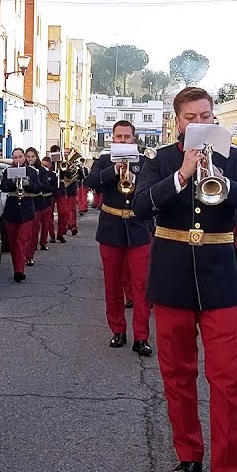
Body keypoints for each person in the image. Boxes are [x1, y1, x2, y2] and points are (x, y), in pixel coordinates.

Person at [132, 86, 237, 472]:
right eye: (191, 117)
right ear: (177, 122)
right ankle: (189, 456)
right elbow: (140, 206)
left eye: (206, 116)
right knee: (177, 375)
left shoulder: (236, 160)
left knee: (227, 380)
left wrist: (225, 182)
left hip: (220, 281)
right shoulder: (159, 160)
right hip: (172, 278)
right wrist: (181, 175)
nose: (199, 122)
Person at [86, 120, 154, 356]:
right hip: (111, 228)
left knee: (141, 286)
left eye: (127, 137)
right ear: (112, 138)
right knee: (112, 284)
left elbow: (152, 190)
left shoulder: (145, 162)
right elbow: (91, 182)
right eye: (119, 137)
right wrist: (114, 170)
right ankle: (117, 330)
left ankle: (141, 336)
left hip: (138, 227)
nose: (123, 140)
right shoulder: (104, 161)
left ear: (134, 139)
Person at [0, 148, 38, 282]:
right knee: (13, 242)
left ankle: (20, 270)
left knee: (22, 241)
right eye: (15, 157)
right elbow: (3, 187)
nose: (18, 160)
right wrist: (11, 182)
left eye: (20, 157)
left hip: (26, 208)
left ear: (24, 157)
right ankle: (16, 267)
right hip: (12, 208)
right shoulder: (7, 171)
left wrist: (28, 184)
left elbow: (38, 188)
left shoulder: (32, 172)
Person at [36, 154, 58, 252]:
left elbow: (54, 188)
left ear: (50, 165)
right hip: (38, 200)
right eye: (43, 165)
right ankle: (34, 243)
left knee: (46, 223)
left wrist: (44, 187)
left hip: (47, 200)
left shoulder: (53, 175)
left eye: (46, 166)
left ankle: (43, 242)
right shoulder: (37, 172)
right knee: (36, 224)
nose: (44, 167)